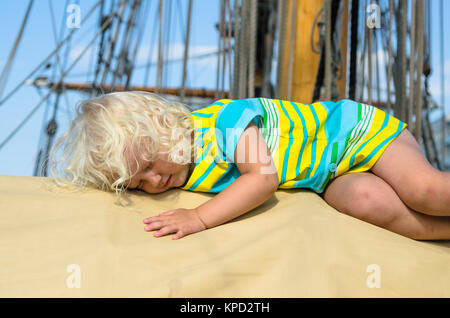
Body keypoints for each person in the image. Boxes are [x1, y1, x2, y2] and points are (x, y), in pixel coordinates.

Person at [49, 91, 450, 240]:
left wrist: (200, 218)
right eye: (139, 183)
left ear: (163, 124)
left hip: (353, 133)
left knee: (426, 192)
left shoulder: (223, 123)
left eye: (152, 162)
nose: (155, 179)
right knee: (368, 202)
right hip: (330, 175)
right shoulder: (182, 171)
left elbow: (263, 178)